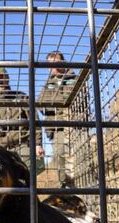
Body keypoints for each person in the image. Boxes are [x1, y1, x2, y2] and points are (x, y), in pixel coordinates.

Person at [0, 67, 45, 173]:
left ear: (7, 79)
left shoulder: (22, 98)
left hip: (21, 146)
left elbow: (34, 122)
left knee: (28, 177)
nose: (0, 82)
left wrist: (38, 144)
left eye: (3, 78)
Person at [38, 51, 77, 187]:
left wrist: (54, 103)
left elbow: (76, 100)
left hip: (74, 123)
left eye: (56, 62)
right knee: (59, 156)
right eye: (50, 64)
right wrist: (61, 103)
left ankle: (86, 188)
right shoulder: (49, 83)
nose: (53, 67)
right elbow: (40, 105)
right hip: (56, 127)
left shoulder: (74, 79)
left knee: (80, 156)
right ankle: (65, 188)